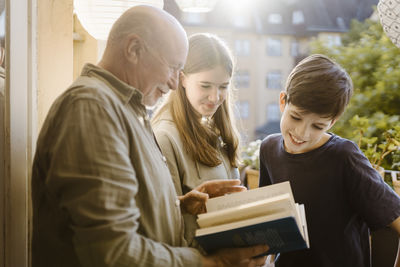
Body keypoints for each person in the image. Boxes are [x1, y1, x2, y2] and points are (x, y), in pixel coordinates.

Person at [31, 5, 269, 267]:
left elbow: (122, 212)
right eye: (172, 67)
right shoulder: (91, 108)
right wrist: (214, 263)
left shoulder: (124, 108)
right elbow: (112, 251)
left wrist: (178, 205)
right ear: (134, 49)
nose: (173, 82)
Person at [259, 54, 400, 267]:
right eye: (296, 117)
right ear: (282, 101)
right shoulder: (268, 149)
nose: (301, 133)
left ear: (332, 122)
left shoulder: (345, 157)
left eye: (318, 126)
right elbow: (267, 223)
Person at [151, 33, 240, 247]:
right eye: (206, 85)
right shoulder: (164, 137)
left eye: (223, 86)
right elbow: (168, 227)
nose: (215, 97)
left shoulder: (214, 129)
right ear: (182, 79)